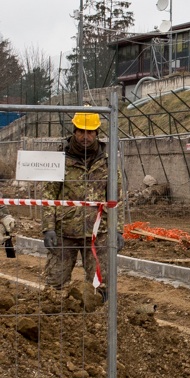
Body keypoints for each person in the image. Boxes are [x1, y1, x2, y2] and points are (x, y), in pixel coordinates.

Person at [42, 110, 121, 293]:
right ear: (74, 131)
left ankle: (97, 319)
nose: (85, 136)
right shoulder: (60, 159)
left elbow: (116, 198)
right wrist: (49, 228)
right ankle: (52, 320)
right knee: (55, 284)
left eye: (90, 132)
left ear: (96, 133)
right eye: (81, 131)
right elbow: (48, 195)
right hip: (64, 232)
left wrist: (118, 229)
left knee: (101, 284)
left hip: (97, 234)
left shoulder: (106, 161)